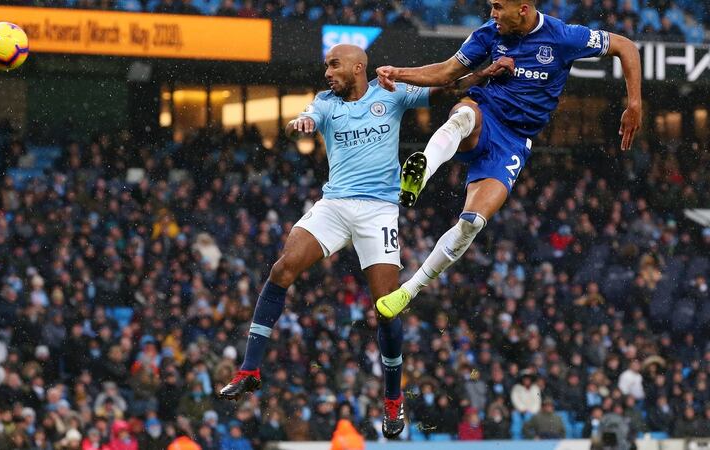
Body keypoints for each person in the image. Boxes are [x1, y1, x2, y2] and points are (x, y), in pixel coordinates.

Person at [217, 43, 500, 438]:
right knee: (282, 269)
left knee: (386, 308)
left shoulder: (391, 92)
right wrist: (298, 124)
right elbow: (304, 118)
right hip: (334, 204)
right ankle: (249, 370)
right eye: (326, 66)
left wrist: (484, 73)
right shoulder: (324, 102)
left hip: (378, 211)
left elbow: (445, 85)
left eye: (334, 65)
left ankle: (392, 400)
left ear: (357, 67)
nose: (327, 72)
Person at [373, 0, 642, 318]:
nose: (493, 14)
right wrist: (398, 73)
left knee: (471, 224)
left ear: (524, 10)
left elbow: (625, 46)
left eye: (499, 7)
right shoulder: (488, 34)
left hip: (514, 143)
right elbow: (447, 72)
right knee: (462, 116)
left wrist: (634, 103)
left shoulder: (564, 37)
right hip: (487, 112)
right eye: (491, 7)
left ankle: (408, 291)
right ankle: (421, 172)